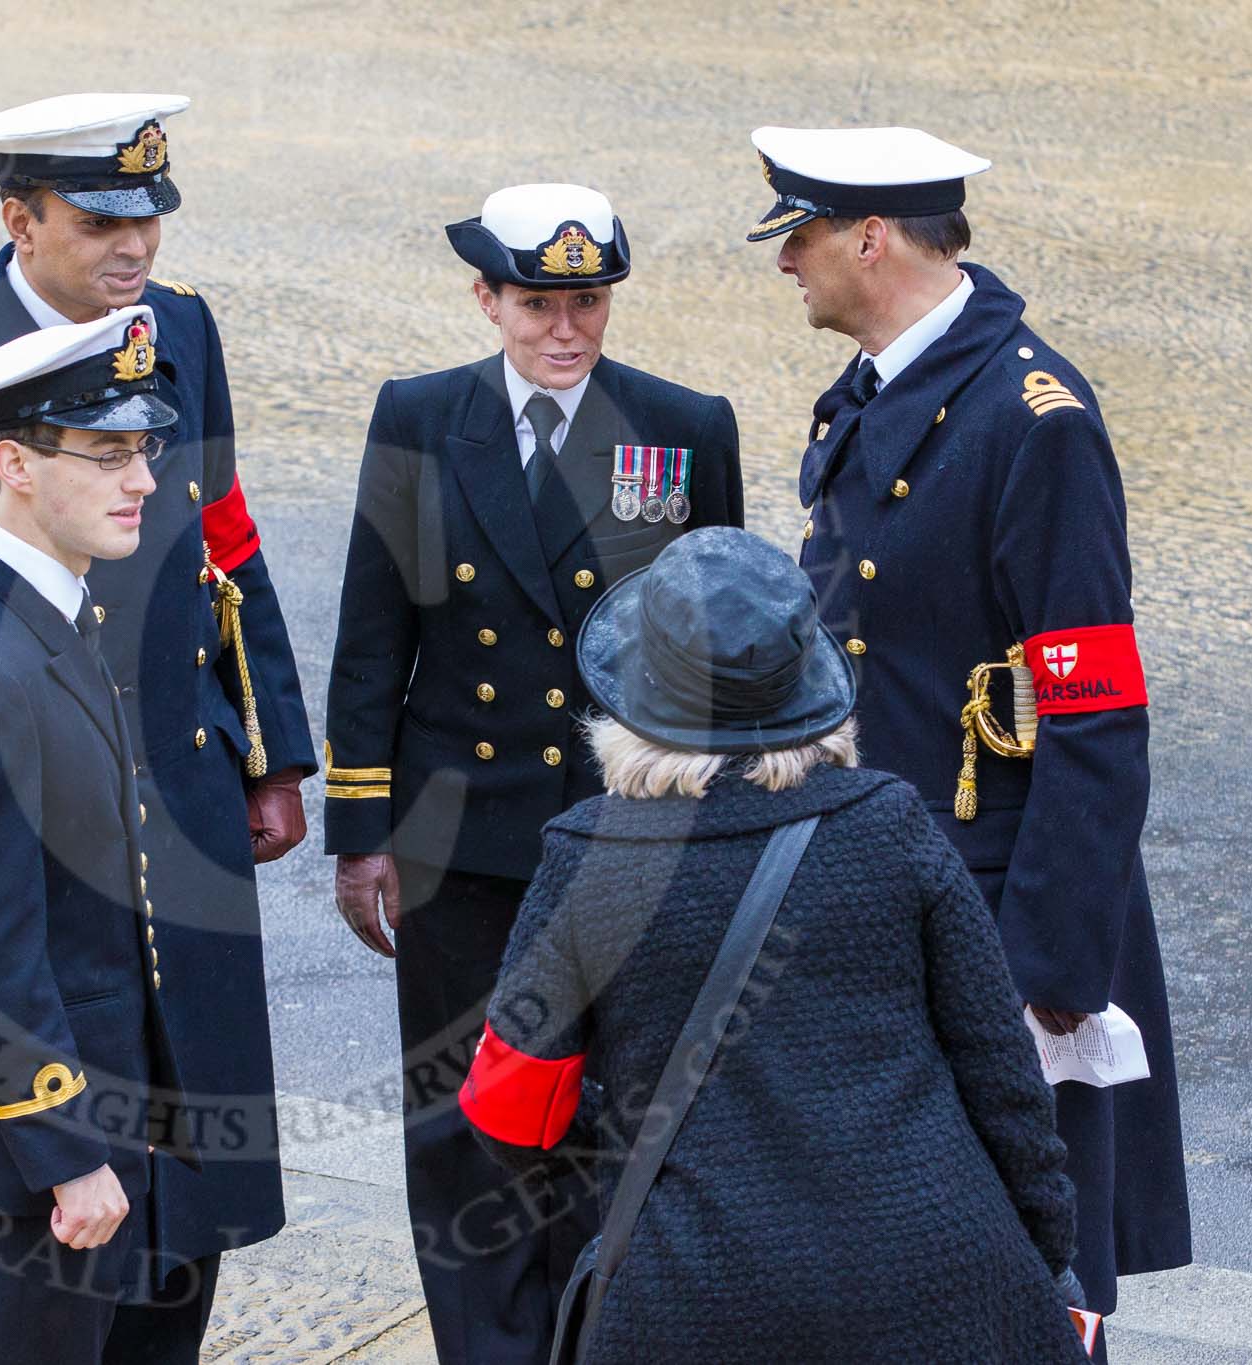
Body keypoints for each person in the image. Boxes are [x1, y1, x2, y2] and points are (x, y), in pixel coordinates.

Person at [0, 94, 313, 1356]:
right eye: (96, 222)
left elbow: (222, 544)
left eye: (148, 217)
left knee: (173, 1223)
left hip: (173, 819)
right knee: (44, 1258)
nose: (132, 248)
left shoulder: (176, 332)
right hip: (16, 866)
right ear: (16, 219)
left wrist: (267, 748)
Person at [744, 124, 1190, 1340]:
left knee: (1021, 1279)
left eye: (800, 235)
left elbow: (1096, 718)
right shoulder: (888, 386)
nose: (786, 263)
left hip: (996, 909)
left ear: (869, 238)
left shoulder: (1030, 418)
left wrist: (1050, 972)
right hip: (880, 881)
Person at [459, 526, 1090, 1363]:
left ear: (637, 690)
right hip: (937, 1280)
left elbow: (506, 1113)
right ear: (803, 682)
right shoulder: (892, 822)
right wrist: (1046, 1259)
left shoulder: (589, 854)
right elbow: (1004, 1079)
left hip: (693, 1299)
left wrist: (634, 1127)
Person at [321, 182, 742, 1362]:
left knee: (614, 1108)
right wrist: (359, 830)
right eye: (539, 304)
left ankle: (596, 1336)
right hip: (460, 835)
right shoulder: (417, 419)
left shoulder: (682, 426)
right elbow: (372, 635)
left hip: (627, 831)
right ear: (486, 298)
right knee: (464, 1117)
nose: (566, 330)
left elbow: (717, 645)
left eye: (588, 304)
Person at [0, 306, 199, 1364]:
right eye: (104, 454)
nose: (141, 480)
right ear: (13, 463)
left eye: (141, 450)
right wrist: (66, 1154)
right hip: (14, 1162)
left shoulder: (41, 607)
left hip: (62, 1130)